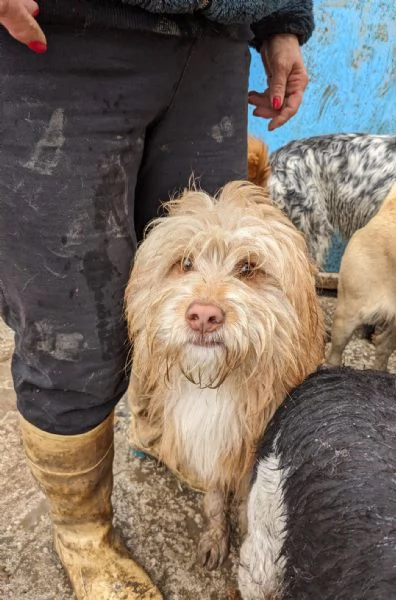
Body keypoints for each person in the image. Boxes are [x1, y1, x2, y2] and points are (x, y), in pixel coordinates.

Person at [0, 1, 314, 598]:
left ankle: (167, 434)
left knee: (192, 295)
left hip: (216, 42)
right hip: (56, 40)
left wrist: (281, 21)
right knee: (72, 332)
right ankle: (83, 534)